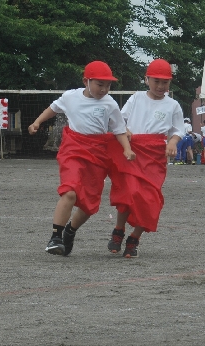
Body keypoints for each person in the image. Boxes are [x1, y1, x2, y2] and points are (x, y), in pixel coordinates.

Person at [28, 61, 135, 256]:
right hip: (73, 150)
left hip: (97, 155)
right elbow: (53, 108)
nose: (104, 89)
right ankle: (55, 237)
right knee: (69, 191)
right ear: (86, 81)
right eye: (99, 84)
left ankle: (70, 231)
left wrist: (126, 149)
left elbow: (119, 130)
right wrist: (37, 122)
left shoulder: (110, 104)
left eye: (108, 86)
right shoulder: (70, 97)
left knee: (89, 204)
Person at [107, 58, 185, 258]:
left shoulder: (173, 105)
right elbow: (120, 121)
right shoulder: (136, 98)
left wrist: (172, 143)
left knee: (150, 199)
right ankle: (119, 229)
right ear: (146, 79)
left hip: (155, 156)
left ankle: (135, 237)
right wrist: (125, 130)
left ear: (170, 83)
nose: (160, 86)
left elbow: (178, 130)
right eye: (156, 81)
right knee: (130, 192)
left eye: (165, 82)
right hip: (133, 152)